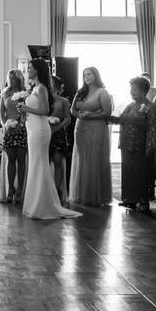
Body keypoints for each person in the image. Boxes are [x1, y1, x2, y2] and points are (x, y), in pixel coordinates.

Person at [16, 60, 81, 220]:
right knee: (36, 164)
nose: (27, 71)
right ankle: (36, 203)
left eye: (30, 68)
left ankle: (42, 205)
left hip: (40, 130)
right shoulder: (35, 89)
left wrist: (26, 108)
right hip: (33, 129)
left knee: (39, 164)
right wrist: (24, 113)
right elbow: (35, 111)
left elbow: (45, 111)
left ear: (37, 70)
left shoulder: (42, 88)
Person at [111, 76, 156, 212]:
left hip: (141, 145)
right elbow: (121, 120)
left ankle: (143, 201)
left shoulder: (151, 107)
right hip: (127, 144)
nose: (131, 92)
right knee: (128, 172)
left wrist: (150, 147)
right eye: (131, 89)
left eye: (135, 90)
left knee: (141, 173)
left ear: (144, 91)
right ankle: (130, 199)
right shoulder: (130, 106)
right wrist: (104, 116)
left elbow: (153, 128)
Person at [69, 66, 113, 207]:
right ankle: (81, 194)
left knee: (94, 159)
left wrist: (91, 115)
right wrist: (80, 115)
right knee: (81, 159)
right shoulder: (81, 92)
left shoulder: (102, 92)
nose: (86, 77)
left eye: (89, 74)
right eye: (84, 75)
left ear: (96, 76)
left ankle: (94, 196)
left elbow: (107, 112)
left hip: (96, 128)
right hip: (81, 127)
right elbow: (72, 109)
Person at [0, 69, 28, 203]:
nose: (11, 80)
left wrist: (21, 124)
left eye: (14, 77)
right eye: (9, 77)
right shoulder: (5, 92)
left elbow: (27, 111)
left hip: (22, 128)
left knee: (21, 159)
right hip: (9, 129)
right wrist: (7, 125)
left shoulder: (26, 93)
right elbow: (2, 112)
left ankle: (20, 188)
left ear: (19, 78)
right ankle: (11, 188)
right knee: (11, 159)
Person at [48, 75, 72, 205]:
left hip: (58, 134)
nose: (49, 85)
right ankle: (45, 190)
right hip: (45, 133)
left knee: (57, 161)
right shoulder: (44, 100)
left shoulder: (63, 101)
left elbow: (68, 118)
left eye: (52, 83)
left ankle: (57, 190)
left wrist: (57, 128)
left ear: (57, 86)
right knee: (45, 163)